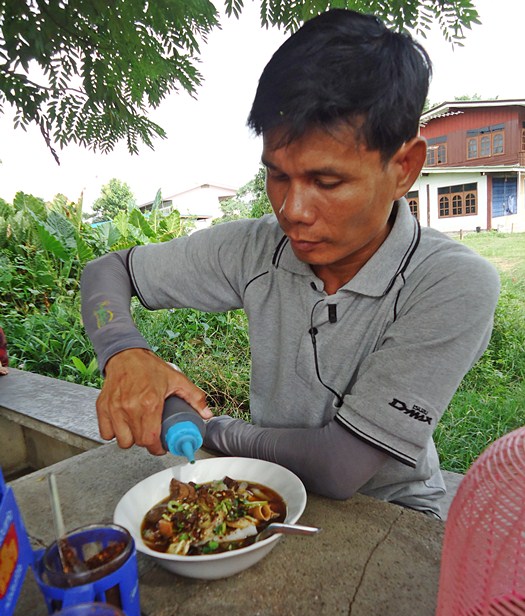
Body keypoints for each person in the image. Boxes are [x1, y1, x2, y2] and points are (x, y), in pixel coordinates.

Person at [80, 9, 500, 518]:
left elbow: (339, 467)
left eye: (327, 182)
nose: (291, 212)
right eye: (277, 175)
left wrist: (198, 424)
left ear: (404, 167)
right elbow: (108, 271)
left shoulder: (450, 283)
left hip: (388, 515)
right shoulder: (257, 248)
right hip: (268, 491)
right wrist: (124, 355)